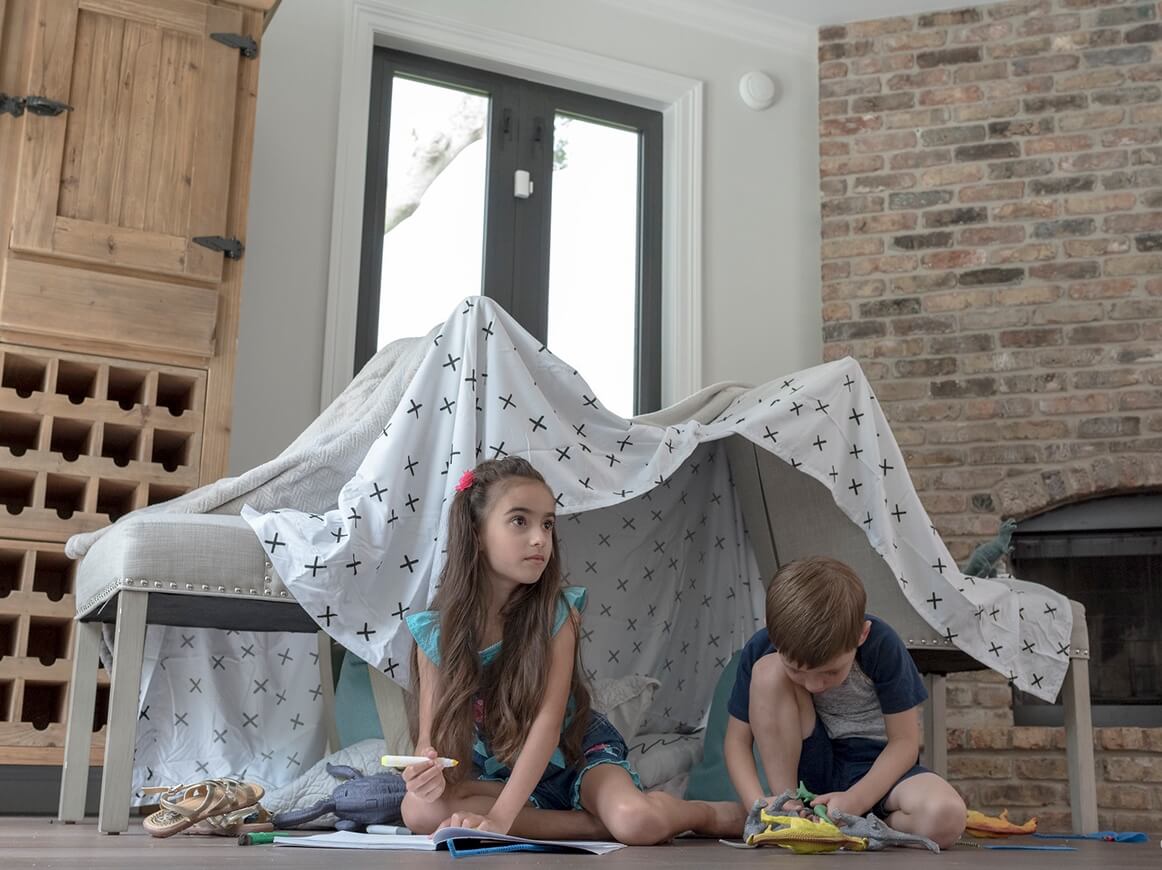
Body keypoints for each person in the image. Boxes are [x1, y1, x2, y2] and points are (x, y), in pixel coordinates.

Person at [399, 457, 745, 844]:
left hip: (576, 756)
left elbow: (547, 727)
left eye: (547, 524)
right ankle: (591, 826)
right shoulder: (434, 633)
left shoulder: (557, 615)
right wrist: (424, 774)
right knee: (418, 809)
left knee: (636, 822)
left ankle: (703, 812)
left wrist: (499, 821)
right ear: (476, 533)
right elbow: (429, 742)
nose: (540, 538)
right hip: (502, 775)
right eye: (520, 521)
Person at [722, 555, 966, 849]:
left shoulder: (882, 645)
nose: (814, 685)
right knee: (769, 671)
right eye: (796, 670)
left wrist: (856, 801)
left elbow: (904, 742)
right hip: (808, 769)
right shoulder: (763, 647)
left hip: (876, 770)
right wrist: (758, 805)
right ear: (773, 634)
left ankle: (861, 825)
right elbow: (736, 743)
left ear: (861, 635)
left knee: (947, 817)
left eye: (830, 672)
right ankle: (790, 817)